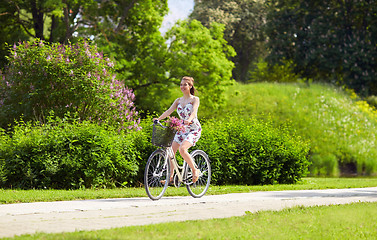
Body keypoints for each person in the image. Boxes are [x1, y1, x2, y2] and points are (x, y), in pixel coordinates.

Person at [154, 76, 202, 183]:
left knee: (182, 149)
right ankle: (170, 177)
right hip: (182, 130)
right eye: (181, 84)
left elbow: (194, 112)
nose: (182, 86)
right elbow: (168, 111)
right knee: (171, 151)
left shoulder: (195, 99)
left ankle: (195, 170)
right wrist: (158, 118)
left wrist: (189, 119)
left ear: (190, 86)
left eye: (185, 84)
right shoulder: (178, 100)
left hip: (193, 129)